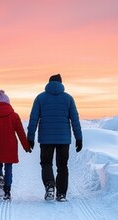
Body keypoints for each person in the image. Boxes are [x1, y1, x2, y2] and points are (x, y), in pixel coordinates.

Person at [27, 74, 82, 202]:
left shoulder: (40, 98)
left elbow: (33, 119)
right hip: (63, 139)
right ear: (61, 83)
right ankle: (61, 194)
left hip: (46, 139)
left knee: (46, 163)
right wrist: (79, 138)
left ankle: (50, 185)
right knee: (62, 165)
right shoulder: (68, 98)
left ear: (49, 83)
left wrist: (30, 138)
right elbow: (75, 119)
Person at [0, 90, 31, 200]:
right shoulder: (14, 116)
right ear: (9, 103)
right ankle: (7, 190)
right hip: (10, 147)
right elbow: (20, 132)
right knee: (9, 168)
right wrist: (26, 146)